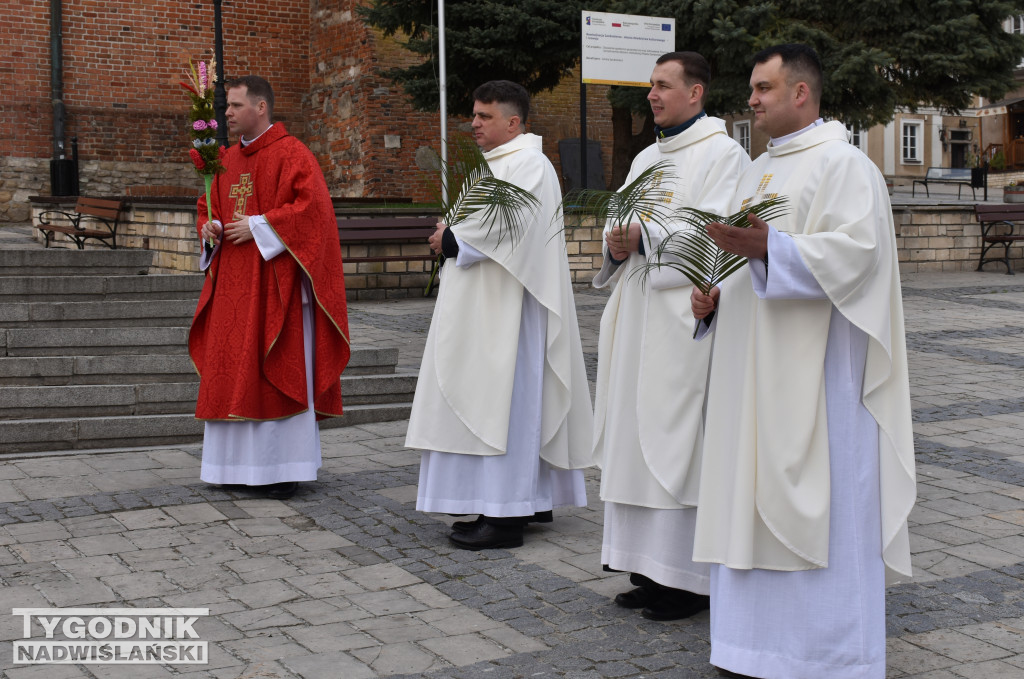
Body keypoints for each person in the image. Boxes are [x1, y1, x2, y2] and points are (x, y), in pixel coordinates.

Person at [690, 45, 915, 678]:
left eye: (763, 87)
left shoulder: (844, 166)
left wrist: (772, 249)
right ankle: (749, 648)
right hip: (748, 374)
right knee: (746, 497)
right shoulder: (755, 170)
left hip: (816, 378)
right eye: (752, 88)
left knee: (823, 503)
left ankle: (828, 654)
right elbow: (737, 262)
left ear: (801, 94)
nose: (751, 99)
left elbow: (859, 256)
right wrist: (711, 299)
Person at [592, 52, 749, 621]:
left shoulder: (723, 153)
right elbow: (621, 218)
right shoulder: (645, 157)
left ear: (696, 92)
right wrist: (616, 242)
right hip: (637, 314)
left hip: (681, 319)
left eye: (663, 85)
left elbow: (718, 232)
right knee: (633, 441)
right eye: (650, 85)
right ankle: (645, 568)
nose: (652, 95)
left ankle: (685, 579)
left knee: (675, 444)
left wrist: (647, 236)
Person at [405, 80, 593, 550]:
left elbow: (509, 229)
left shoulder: (529, 164)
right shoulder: (496, 165)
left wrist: (450, 239)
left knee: (507, 405)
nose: (474, 123)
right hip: (486, 307)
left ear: (514, 122)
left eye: (485, 116)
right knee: (498, 402)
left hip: (511, 315)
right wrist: (451, 233)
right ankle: (523, 500)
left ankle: (506, 516)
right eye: (474, 114)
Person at [189, 76, 350, 500]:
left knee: (271, 371)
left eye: (236, 105)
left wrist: (261, 226)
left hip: (274, 290)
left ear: (261, 108)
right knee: (231, 375)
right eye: (225, 106)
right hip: (232, 290)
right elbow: (212, 207)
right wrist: (210, 227)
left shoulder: (292, 153)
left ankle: (281, 468)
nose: (227, 112)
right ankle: (231, 465)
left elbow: (312, 213)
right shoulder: (222, 161)